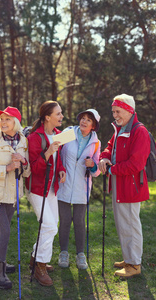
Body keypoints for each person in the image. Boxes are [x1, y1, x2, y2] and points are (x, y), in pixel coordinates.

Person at [98, 94, 150, 278]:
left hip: (131, 186)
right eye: (113, 112)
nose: (115, 116)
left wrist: (111, 170)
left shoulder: (139, 131)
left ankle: (134, 264)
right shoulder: (120, 129)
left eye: (117, 111)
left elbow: (136, 164)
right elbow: (109, 147)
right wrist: (104, 157)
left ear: (129, 110)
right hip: (119, 184)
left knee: (130, 224)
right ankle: (129, 258)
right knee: (122, 224)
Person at [0, 106, 30, 289]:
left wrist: (23, 162)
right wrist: (7, 168)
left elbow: (27, 171)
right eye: (1, 119)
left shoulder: (23, 140)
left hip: (13, 195)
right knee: (6, 230)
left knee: (3, 229)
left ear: (16, 122)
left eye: (7, 119)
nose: (3, 122)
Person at [25, 100, 66, 286]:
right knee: (49, 225)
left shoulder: (59, 135)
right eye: (58, 113)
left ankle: (35, 257)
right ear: (47, 117)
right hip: (36, 188)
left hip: (51, 188)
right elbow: (33, 168)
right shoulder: (34, 138)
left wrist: (61, 170)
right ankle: (39, 266)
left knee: (52, 225)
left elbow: (60, 159)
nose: (62, 117)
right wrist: (48, 152)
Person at [57, 109, 101, 269]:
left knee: (79, 221)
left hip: (82, 188)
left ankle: (80, 255)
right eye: (82, 118)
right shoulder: (69, 133)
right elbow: (53, 147)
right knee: (65, 220)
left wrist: (93, 165)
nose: (84, 121)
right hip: (64, 184)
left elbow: (97, 171)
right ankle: (63, 253)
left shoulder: (96, 142)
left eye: (88, 120)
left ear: (93, 125)